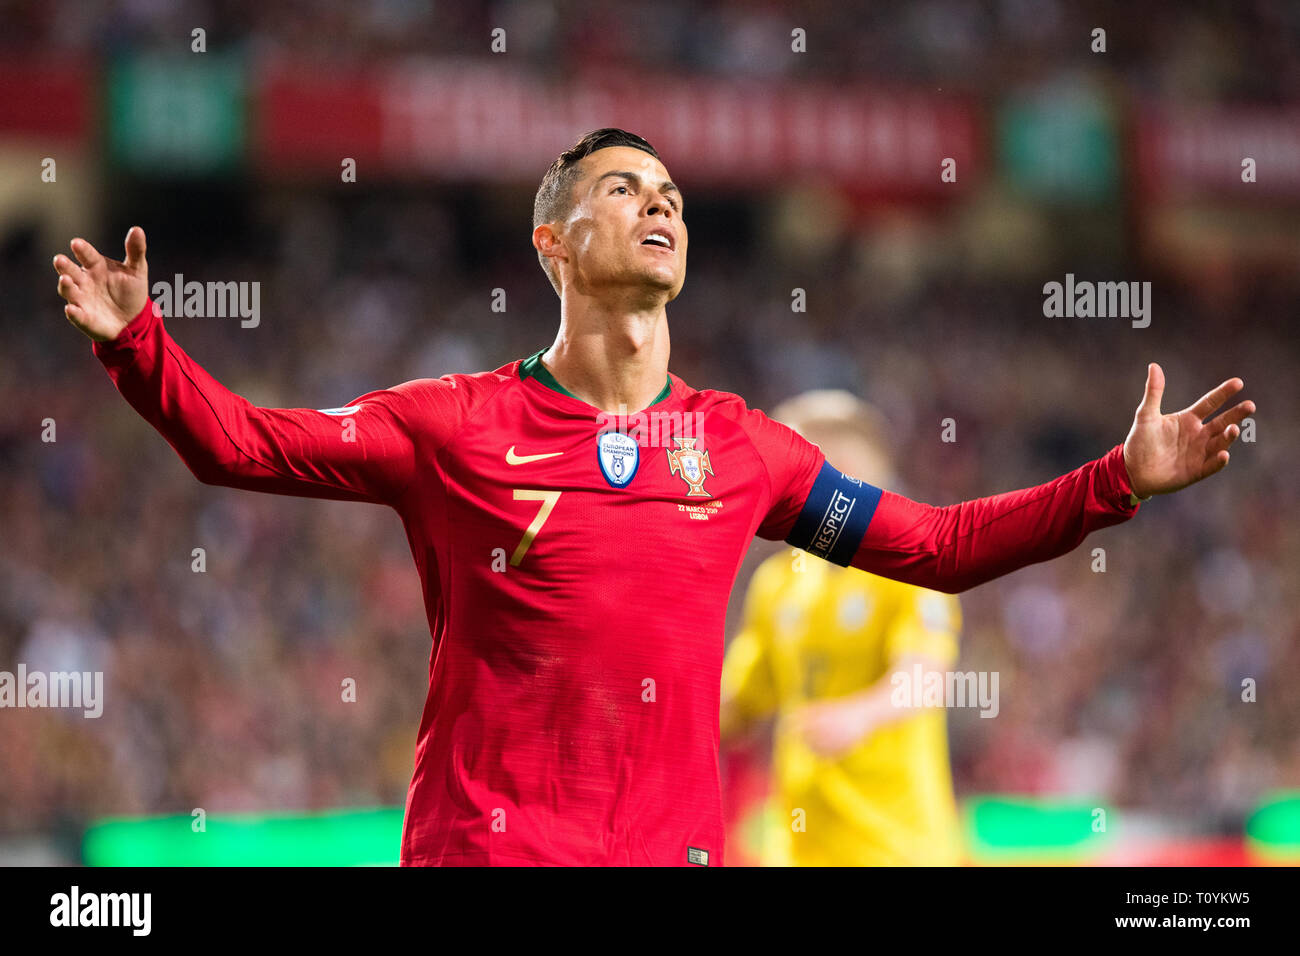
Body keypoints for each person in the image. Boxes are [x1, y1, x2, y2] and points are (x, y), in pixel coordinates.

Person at [53, 128, 1255, 866]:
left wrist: (1115, 482)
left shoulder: (739, 450)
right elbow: (246, 447)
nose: (661, 203)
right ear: (553, 243)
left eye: (670, 191)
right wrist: (138, 344)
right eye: (624, 188)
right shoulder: (451, 424)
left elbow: (932, 545)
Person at [722, 390, 962, 865]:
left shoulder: (912, 568)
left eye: (838, 474)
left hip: (895, 848)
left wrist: (860, 715)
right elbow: (737, 707)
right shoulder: (776, 585)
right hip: (799, 850)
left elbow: (925, 678)